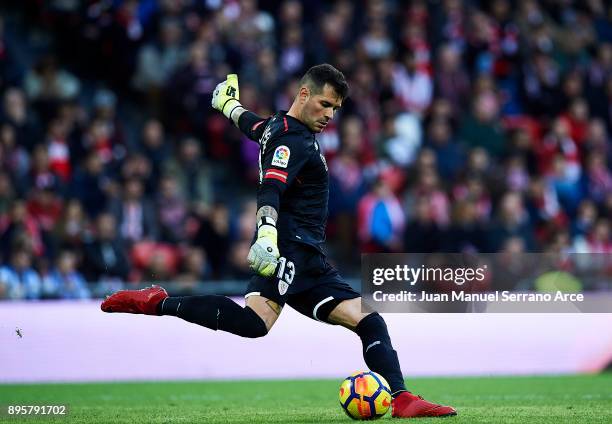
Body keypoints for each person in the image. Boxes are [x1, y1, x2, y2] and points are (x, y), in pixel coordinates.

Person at [101, 64, 456, 418]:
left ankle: (158, 302)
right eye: (325, 104)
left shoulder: (277, 127)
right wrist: (268, 233)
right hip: (292, 249)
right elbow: (272, 185)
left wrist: (229, 107)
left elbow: (252, 125)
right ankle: (401, 397)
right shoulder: (294, 140)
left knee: (264, 324)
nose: (330, 115)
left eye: (335, 109)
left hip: (301, 251)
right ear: (304, 94)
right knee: (357, 320)